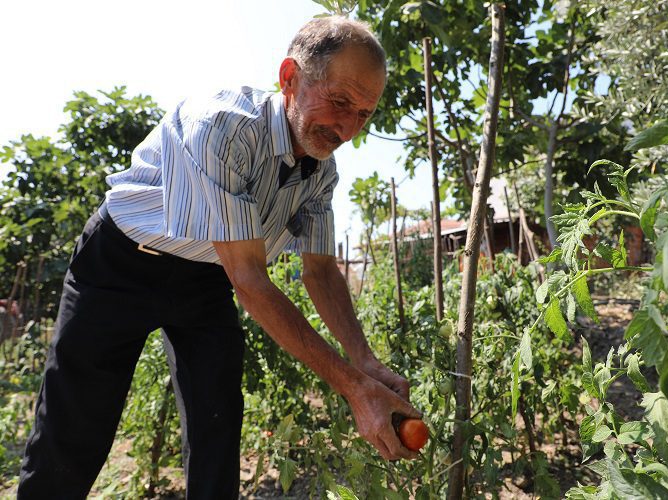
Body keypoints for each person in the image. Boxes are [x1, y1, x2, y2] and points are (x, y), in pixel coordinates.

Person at [18, 16, 420, 499]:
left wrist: (365, 361)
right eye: (339, 102)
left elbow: (320, 271)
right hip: (120, 265)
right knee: (74, 427)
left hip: (206, 278)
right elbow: (250, 280)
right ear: (290, 78)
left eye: (363, 114)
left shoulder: (321, 172)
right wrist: (354, 388)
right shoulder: (221, 128)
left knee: (218, 422)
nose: (347, 129)